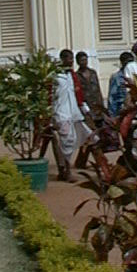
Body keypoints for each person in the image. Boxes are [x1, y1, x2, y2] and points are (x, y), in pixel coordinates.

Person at [50, 48, 88, 181]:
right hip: (61, 113)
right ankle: (66, 170)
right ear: (63, 59)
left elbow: (78, 93)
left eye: (72, 59)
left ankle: (65, 168)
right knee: (67, 140)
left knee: (81, 138)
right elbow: (50, 94)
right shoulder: (55, 75)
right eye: (69, 59)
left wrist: (84, 107)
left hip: (74, 113)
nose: (71, 61)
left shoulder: (72, 75)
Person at [106, 50, 134, 118]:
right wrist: (113, 115)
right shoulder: (116, 77)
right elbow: (112, 97)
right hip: (122, 111)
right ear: (122, 62)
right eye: (128, 62)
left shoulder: (135, 75)